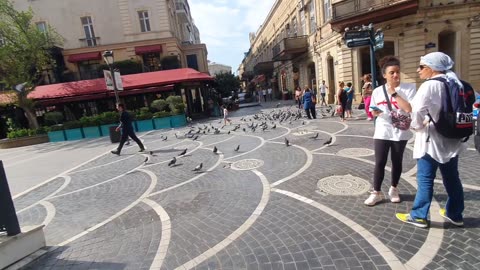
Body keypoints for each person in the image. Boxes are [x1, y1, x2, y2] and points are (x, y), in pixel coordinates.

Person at [396, 52, 466, 228]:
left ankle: (419, 216)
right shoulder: (457, 82)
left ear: (431, 68)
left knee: (425, 178)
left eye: (421, 67)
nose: (418, 70)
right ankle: (455, 214)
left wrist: (417, 127)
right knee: (452, 178)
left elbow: (417, 112)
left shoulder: (430, 86)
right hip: (453, 139)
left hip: (432, 140)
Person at [364, 56, 416, 206]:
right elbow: (373, 109)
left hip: (400, 131)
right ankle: (376, 192)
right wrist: (375, 112)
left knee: (397, 161)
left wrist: (394, 93)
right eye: (392, 72)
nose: (395, 75)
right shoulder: (378, 91)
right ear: (384, 75)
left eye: (397, 72)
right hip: (383, 130)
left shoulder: (409, 88)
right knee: (380, 161)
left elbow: (408, 109)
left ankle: (394, 188)